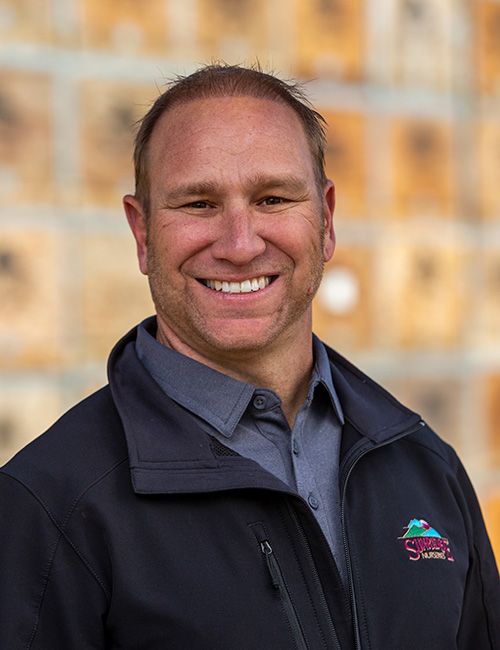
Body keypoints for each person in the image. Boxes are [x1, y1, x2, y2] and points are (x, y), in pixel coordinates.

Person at [0, 64, 498, 650]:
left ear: (326, 221)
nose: (240, 244)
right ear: (142, 234)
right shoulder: (47, 507)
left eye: (273, 198)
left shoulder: (424, 466)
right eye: (198, 204)